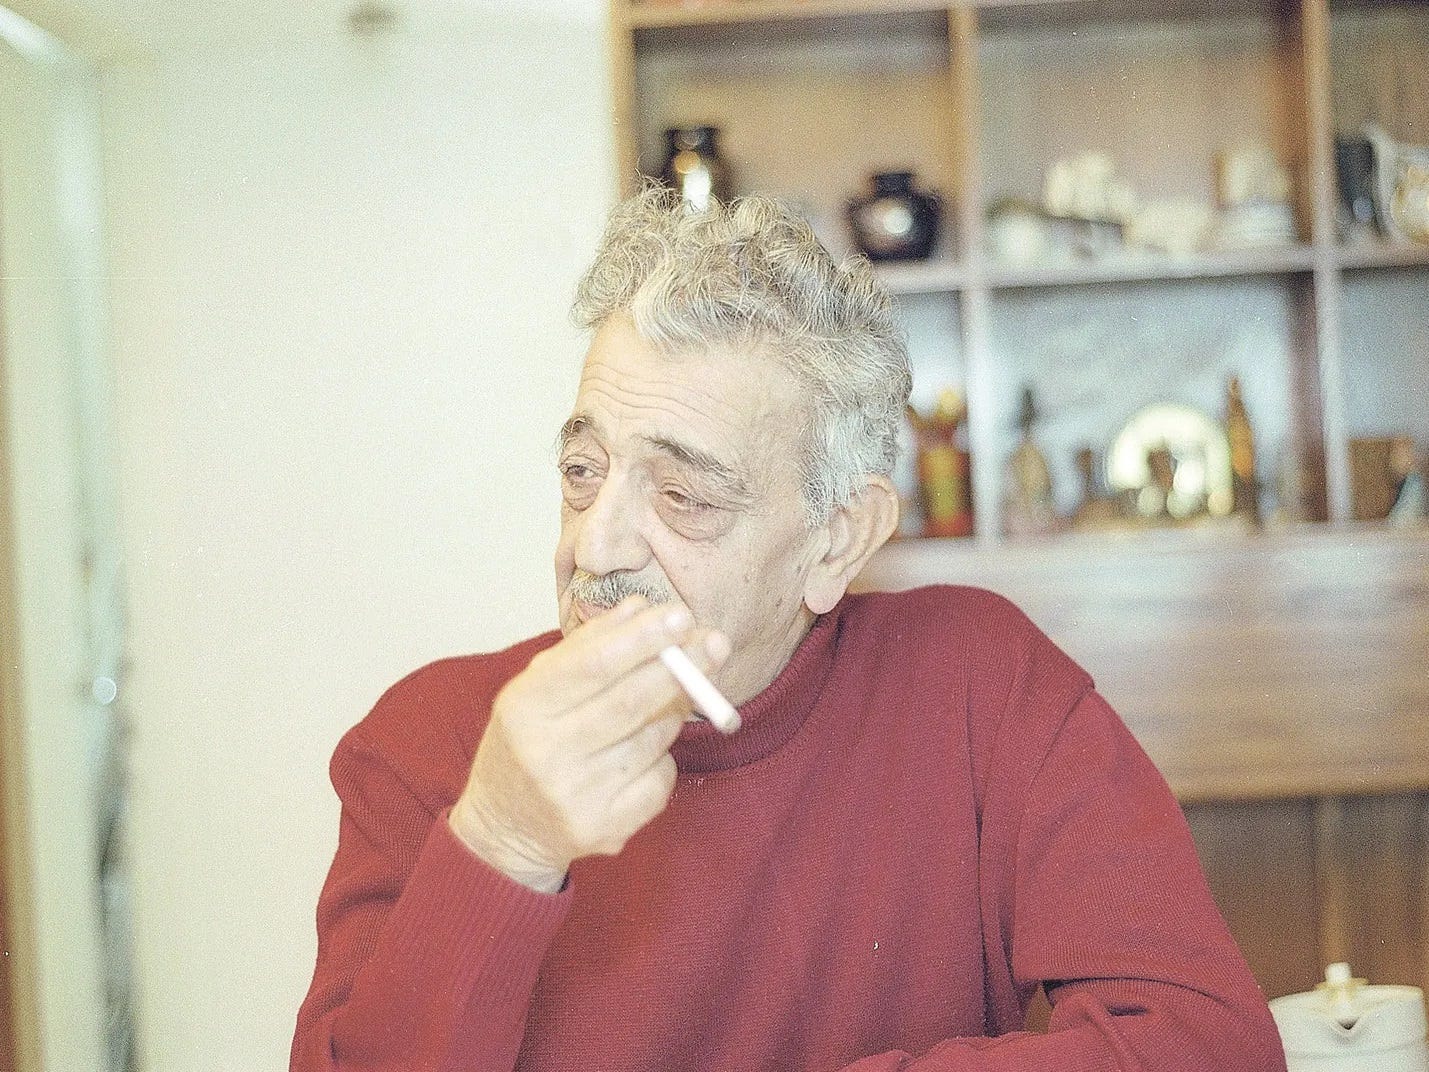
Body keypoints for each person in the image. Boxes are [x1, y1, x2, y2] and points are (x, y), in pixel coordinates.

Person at [290, 188, 1287, 1072]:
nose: (593, 545)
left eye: (682, 495)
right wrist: (501, 842)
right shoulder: (426, 744)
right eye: (583, 472)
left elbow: (1208, 1045)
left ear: (834, 539)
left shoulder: (978, 683)